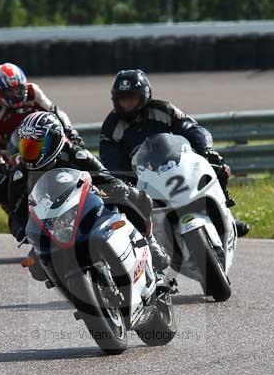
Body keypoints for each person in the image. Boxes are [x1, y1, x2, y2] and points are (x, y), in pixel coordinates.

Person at [9, 111, 170, 281]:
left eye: (36, 145)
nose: (29, 150)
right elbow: (15, 215)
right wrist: (23, 231)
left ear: (55, 140)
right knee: (36, 269)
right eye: (26, 145)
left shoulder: (75, 155)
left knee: (136, 197)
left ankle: (150, 242)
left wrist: (118, 188)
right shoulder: (19, 174)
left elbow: (106, 177)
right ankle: (78, 296)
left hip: (87, 210)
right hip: (52, 228)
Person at [99, 69, 250, 237]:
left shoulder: (163, 110)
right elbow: (110, 158)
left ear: (144, 95)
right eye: (122, 99)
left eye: (131, 98)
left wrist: (207, 150)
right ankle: (149, 243)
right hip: (141, 179)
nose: (126, 104)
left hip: (175, 165)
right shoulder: (111, 127)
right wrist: (123, 181)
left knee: (218, 167)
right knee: (123, 203)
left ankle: (225, 216)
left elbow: (192, 129)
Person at [0, 62, 82, 211]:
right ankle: (15, 215)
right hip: (14, 151)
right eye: (10, 91)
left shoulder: (33, 91)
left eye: (18, 89)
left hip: (45, 142)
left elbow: (55, 111)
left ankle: (91, 193)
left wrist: (71, 132)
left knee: (78, 156)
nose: (16, 94)